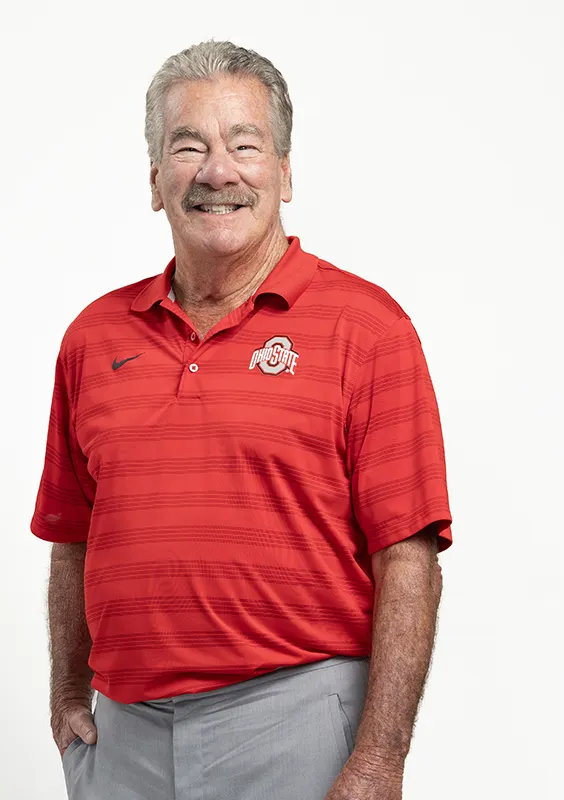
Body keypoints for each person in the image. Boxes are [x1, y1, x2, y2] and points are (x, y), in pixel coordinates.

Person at [30, 40, 453, 800]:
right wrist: (67, 695)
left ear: (284, 173)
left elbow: (409, 559)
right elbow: (72, 538)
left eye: (244, 145)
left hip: (295, 728)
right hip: (125, 739)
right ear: (156, 180)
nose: (216, 171)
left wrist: (379, 758)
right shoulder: (93, 339)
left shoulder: (366, 328)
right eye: (188, 145)